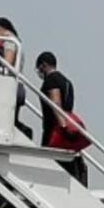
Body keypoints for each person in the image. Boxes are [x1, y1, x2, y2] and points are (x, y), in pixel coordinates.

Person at [36, 51, 87, 186]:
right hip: (66, 133)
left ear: (43, 65)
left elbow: (56, 103)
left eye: (39, 68)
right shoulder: (67, 82)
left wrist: (63, 127)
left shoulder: (51, 80)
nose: (39, 72)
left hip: (55, 133)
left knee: (50, 169)